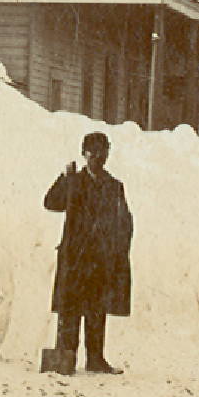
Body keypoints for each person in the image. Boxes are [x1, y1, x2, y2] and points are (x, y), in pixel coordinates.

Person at [44, 130, 133, 374]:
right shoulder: (73, 181)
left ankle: (96, 359)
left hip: (99, 259)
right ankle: (65, 357)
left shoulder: (114, 187)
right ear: (85, 154)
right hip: (74, 258)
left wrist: (117, 250)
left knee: (96, 310)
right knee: (70, 308)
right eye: (94, 154)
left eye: (103, 154)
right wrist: (63, 178)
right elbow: (51, 203)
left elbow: (124, 220)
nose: (98, 159)